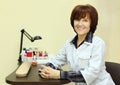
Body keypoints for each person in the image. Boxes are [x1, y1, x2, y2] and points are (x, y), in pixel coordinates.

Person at [39, 4, 115, 85]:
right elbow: (56, 60)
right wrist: (47, 69)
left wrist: (59, 74)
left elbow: (91, 74)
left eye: (85, 20)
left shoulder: (98, 43)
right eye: (77, 19)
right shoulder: (69, 43)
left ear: (91, 23)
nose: (80, 24)